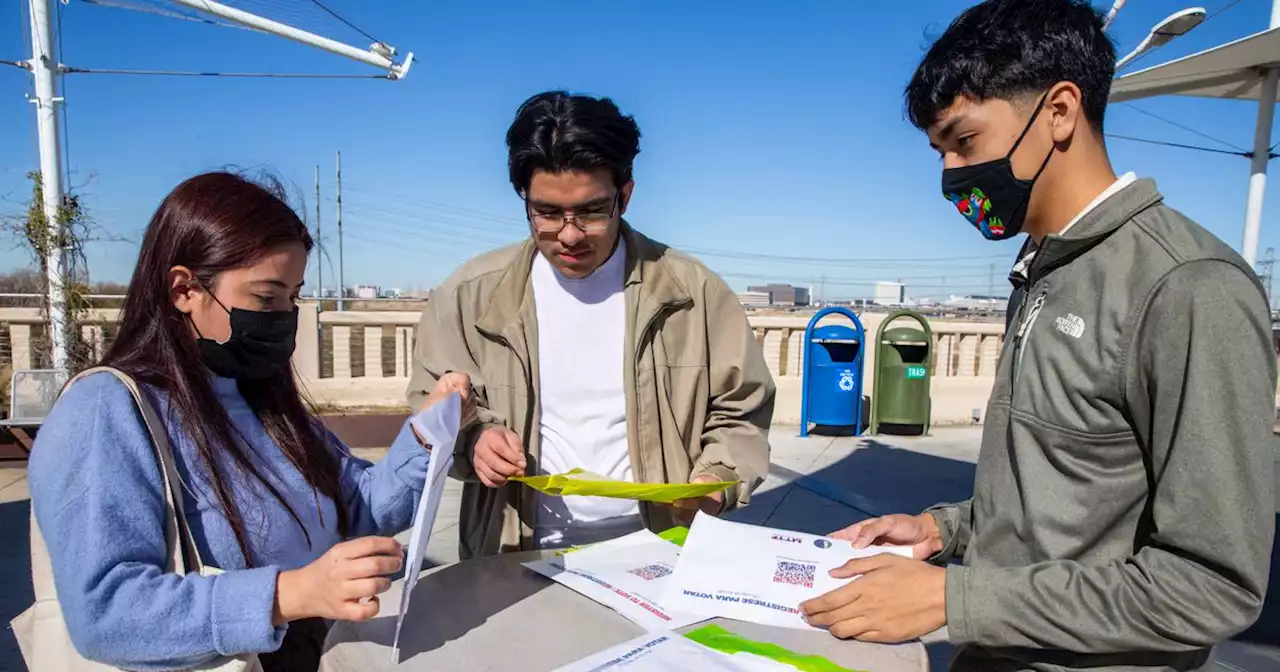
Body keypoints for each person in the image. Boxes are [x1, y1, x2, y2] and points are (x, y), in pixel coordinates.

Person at [800, 1, 1276, 669]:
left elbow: (1212, 587)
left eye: (964, 142)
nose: (950, 176)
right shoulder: (1041, 269)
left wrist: (954, 599)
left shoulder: (1191, 287)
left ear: (1059, 111)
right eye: (940, 153)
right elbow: (1065, 496)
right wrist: (942, 529)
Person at [27, 172, 473, 671]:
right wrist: (290, 594)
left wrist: (427, 432)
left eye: (293, 297)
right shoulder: (106, 411)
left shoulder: (262, 397)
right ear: (184, 289)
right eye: (266, 298)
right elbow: (107, 612)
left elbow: (361, 508)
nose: (285, 317)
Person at [407, 91, 775, 558]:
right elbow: (430, 402)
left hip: (660, 549)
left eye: (591, 211)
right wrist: (474, 440)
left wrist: (716, 478)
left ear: (625, 196)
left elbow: (741, 408)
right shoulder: (469, 294)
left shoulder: (694, 294)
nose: (569, 234)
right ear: (524, 200)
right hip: (514, 551)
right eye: (546, 212)